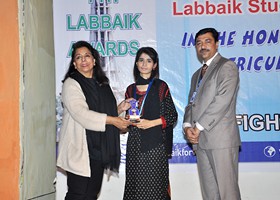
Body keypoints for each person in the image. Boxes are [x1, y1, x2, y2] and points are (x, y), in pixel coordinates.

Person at [56, 40, 131, 200]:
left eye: (87, 56)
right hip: (79, 149)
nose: (83, 60)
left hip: (98, 150)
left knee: (90, 195)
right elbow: (82, 114)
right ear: (74, 64)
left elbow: (103, 113)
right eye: (78, 57)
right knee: (78, 194)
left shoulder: (102, 85)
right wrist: (113, 120)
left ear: (94, 60)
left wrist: (119, 109)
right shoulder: (71, 84)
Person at [183, 28, 241, 200]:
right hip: (200, 141)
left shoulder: (226, 66)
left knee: (227, 193)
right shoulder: (197, 75)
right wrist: (187, 127)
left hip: (220, 140)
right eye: (199, 43)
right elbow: (191, 104)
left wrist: (198, 127)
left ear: (216, 44)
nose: (203, 46)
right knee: (209, 194)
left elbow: (222, 100)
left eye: (207, 41)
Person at [123, 47, 178, 200]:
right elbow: (127, 118)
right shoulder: (130, 89)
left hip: (155, 145)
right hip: (134, 144)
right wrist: (127, 118)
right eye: (141, 60)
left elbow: (172, 116)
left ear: (154, 65)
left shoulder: (161, 87)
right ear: (136, 63)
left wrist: (151, 123)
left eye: (149, 61)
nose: (144, 64)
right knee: (135, 187)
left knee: (156, 188)